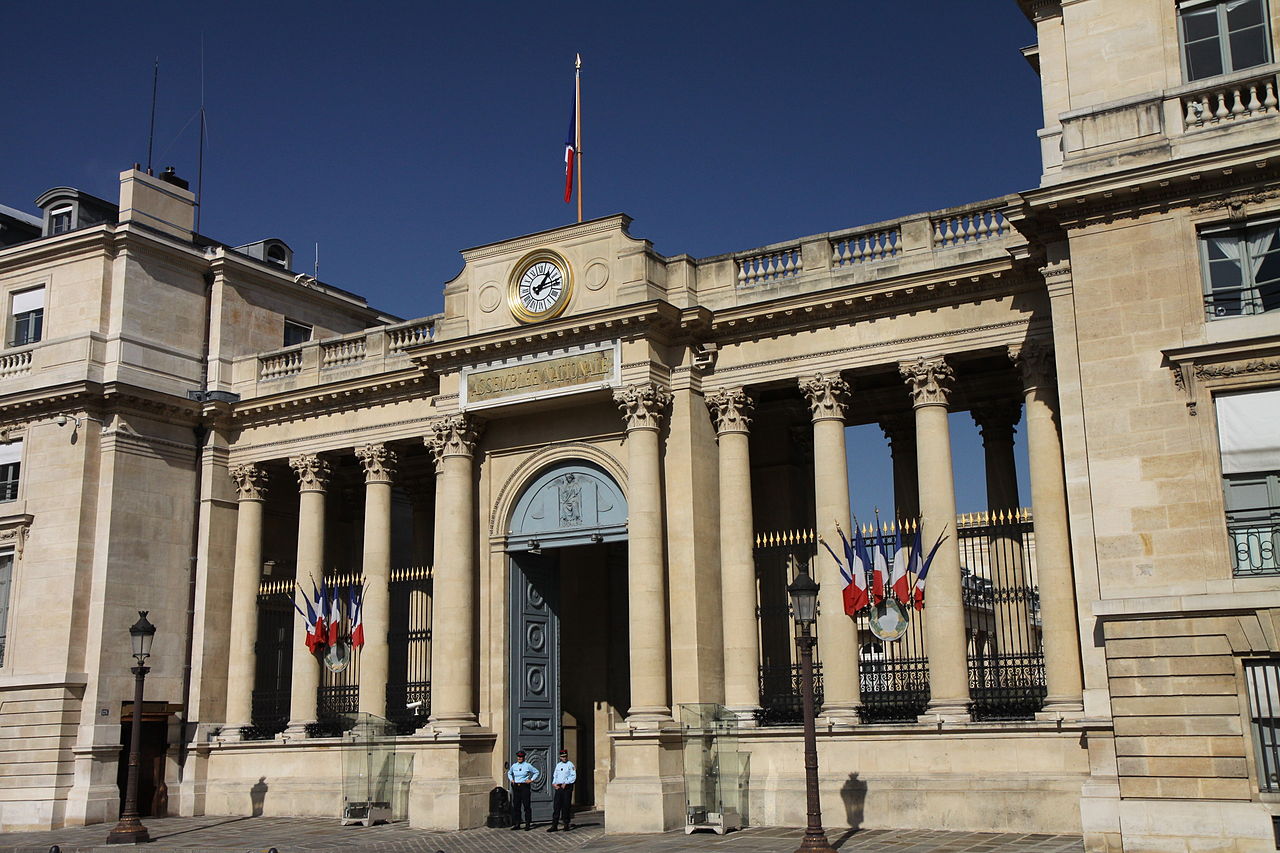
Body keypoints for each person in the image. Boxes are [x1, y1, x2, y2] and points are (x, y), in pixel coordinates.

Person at [506, 749, 540, 830]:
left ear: (524, 757)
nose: (519, 758)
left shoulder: (527, 765)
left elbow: (536, 772)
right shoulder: (514, 766)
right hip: (516, 786)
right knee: (517, 805)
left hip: (524, 786)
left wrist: (531, 780)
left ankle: (528, 823)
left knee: (526, 805)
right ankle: (517, 823)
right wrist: (512, 779)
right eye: (518, 756)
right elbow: (509, 773)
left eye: (521, 757)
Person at [548, 748, 576, 832]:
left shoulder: (570, 765)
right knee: (556, 806)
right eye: (562, 757)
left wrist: (566, 782)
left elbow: (573, 776)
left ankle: (566, 823)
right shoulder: (558, 765)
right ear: (560, 757)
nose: (564, 758)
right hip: (559, 787)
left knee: (566, 806)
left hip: (566, 787)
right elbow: (555, 775)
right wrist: (554, 783)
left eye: (565, 756)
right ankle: (554, 825)